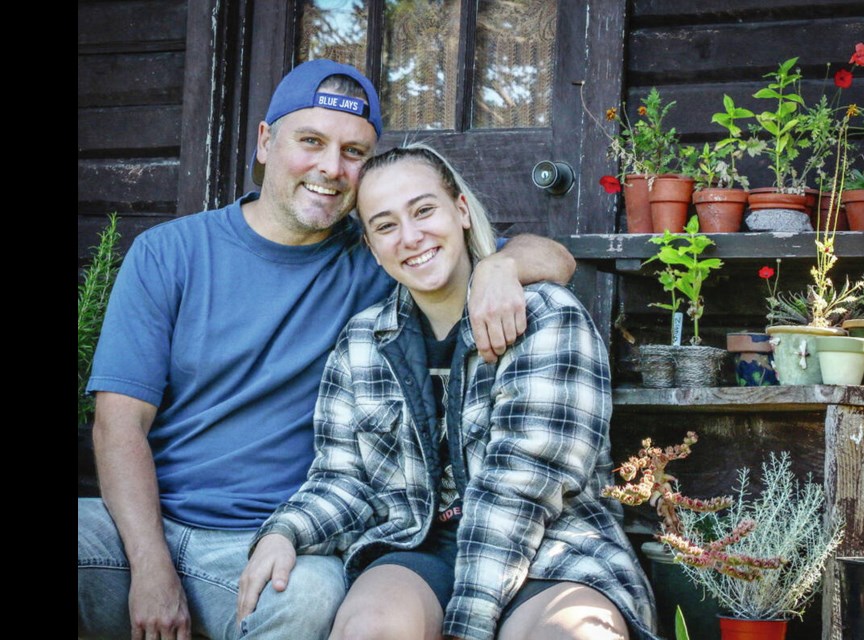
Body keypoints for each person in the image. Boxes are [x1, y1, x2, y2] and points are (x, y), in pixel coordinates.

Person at [78, 60, 575, 640]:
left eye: (353, 152)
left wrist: (502, 265)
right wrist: (151, 569)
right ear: (266, 142)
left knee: (312, 598)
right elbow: (118, 427)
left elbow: (556, 259)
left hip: (272, 542)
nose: (330, 168)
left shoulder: (382, 250)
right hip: (139, 532)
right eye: (310, 142)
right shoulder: (170, 253)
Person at [238, 144, 657, 640]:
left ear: (460, 210)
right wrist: (286, 530)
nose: (411, 236)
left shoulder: (545, 314)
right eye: (386, 225)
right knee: (370, 628)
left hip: (554, 548)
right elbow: (343, 477)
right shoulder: (362, 341)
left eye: (423, 210)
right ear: (371, 245)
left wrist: (468, 626)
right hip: (419, 544)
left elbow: (524, 488)